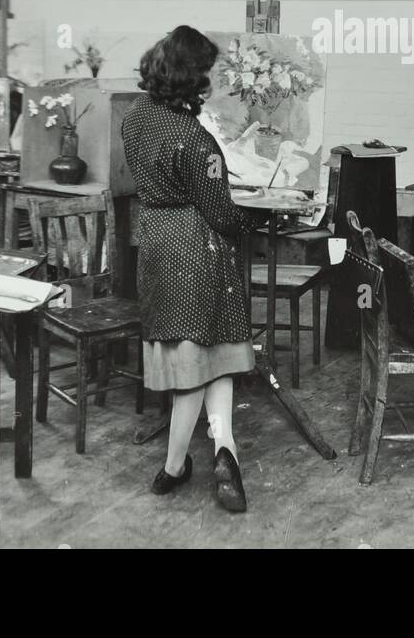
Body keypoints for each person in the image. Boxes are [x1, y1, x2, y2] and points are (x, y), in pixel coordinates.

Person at [122, 26, 255, 513]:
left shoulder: (135, 118)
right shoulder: (195, 139)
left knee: (206, 356)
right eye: (205, 74)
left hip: (155, 242)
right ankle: (179, 464)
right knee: (198, 366)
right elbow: (220, 214)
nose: (210, 82)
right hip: (197, 248)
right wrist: (247, 219)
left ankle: (222, 452)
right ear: (190, 78)